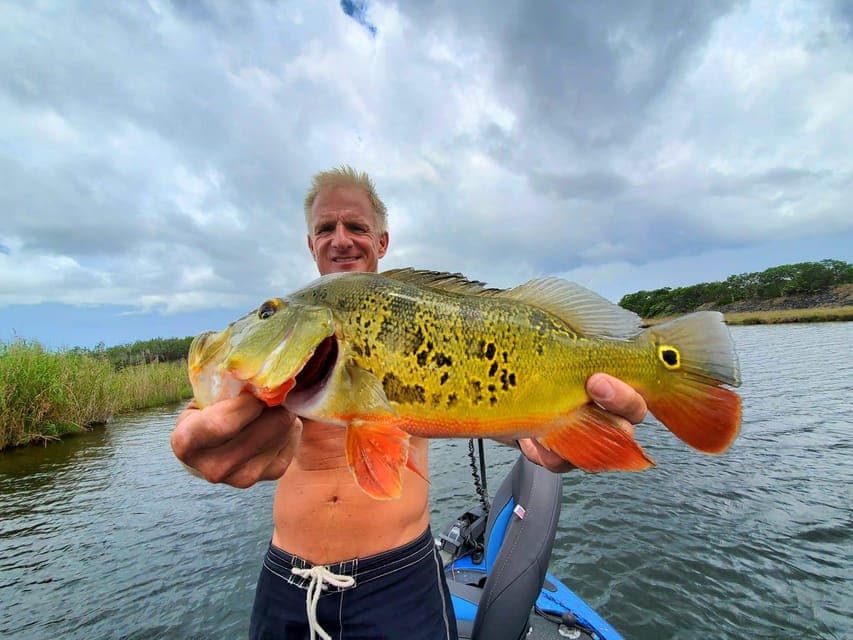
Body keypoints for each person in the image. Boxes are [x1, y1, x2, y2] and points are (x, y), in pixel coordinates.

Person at [170, 166, 648, 640]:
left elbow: (507, 417)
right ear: (310, 243)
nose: (341, 239)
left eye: (356, 227)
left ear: (381, 242)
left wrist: (560, 435)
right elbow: (207, 428)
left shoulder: (411, 312)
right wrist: (199, 456)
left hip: (400, 583)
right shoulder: (282, 342)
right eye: (325, 228)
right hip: (287, 585)